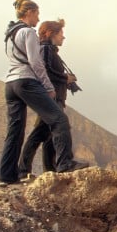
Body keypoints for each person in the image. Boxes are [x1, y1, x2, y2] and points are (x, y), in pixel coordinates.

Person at [0, 0, 87, 185]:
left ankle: (6, 177)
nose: (38, 19)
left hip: (10, 84)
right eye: (37, 14)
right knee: (59, 119)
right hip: (26, 81)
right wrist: (47, 87)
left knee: (15, 131)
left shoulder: (9, 34)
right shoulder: (28, 32)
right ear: (28, 12)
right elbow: (36, 63)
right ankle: (65, 164)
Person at [19, 19, 77, 178]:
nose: (63, 38)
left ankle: (48, 170)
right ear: (51, 33)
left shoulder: (49, 50)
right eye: (61, 34)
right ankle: (24, 169)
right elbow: (45, 72)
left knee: (47, 134)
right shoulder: (45, 49)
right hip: (50, 98)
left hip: (54, 98)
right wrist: (65, 78)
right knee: (42, 133)